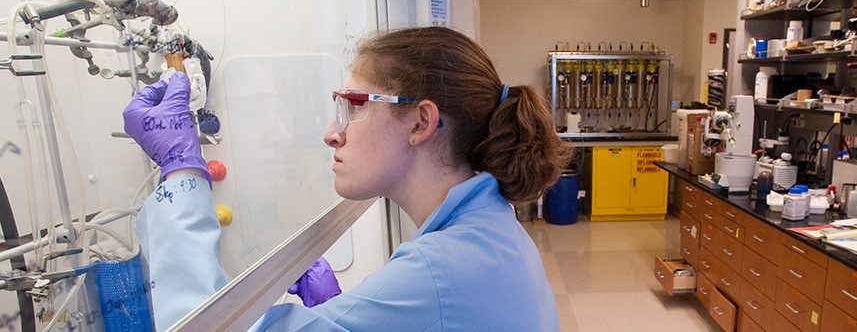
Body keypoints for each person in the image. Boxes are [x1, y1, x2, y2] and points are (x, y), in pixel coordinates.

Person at [123, 26, 567, 330]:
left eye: (353, 105)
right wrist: (338, 316)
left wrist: (182, 170)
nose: (332, 133)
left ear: (419, 123)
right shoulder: (489, 229)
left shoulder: (441, 271)